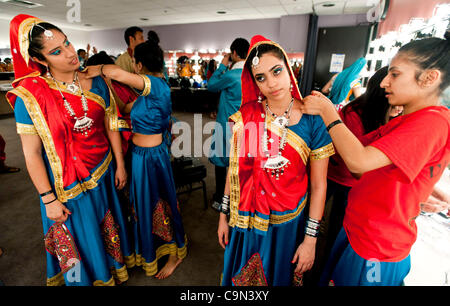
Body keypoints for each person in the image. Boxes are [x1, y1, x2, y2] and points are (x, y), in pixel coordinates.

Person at [300, 34, 450, 286]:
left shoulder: (430, 122)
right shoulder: (411, 120)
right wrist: (423, 187)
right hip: (363, 231)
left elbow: (359, 161)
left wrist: (329, 113)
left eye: (395, 74)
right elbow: (386, 164)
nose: (383, 83)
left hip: (376, 246)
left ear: (429, 78)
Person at [6, 14, 134, 286]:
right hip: (66, 181)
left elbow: (111, 123)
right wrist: (48, 199)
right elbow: (30, 154)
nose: (69, 53)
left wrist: (120, 164)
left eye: (67, 43)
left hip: (103, 168)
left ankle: (110, 270)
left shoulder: (96, 80)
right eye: (56, 51)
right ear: (39, 60)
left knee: (106, 225)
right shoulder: (31, 96)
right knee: (79, 234)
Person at [217, 35, 334, 286]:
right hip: (245, 221)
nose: (271, 83)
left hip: (287, 226)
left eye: (276, 71)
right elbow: (234, 171)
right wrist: (223, 215)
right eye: (261, 77)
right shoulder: (247, 116)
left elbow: (319, 186)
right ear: (254, 82)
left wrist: (310, 239)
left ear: (289, 70)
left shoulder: (313, 119)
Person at [85, 40, 187, 280]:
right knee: (143, 206)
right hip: (140, 157)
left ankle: (175, 254)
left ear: (139, 65)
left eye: (134, 64)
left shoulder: (156, 85)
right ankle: (153, 249)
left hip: (154, 159)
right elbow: (126, 107)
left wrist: (96, 68)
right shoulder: (145, 94)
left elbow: (117, 71)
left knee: (162, 204)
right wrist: (108, 86)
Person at [307, 66, 402, 285]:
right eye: (393, 103)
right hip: (335, 177)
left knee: (338, 234)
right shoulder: (353, 115)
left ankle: (325, 270)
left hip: (355, 185)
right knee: (318, 225)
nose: (398, 109)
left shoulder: (395, 118)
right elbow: (356, 167)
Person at [207, 37, 250, 212]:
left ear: (233, 53)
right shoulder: (251, 74)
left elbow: (211, 85)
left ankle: (219, 199)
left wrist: (222, 65)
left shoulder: (232, 74)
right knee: (239, 164)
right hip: (245, 124)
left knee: (220, 162)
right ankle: (237, 198)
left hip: (226, 124)